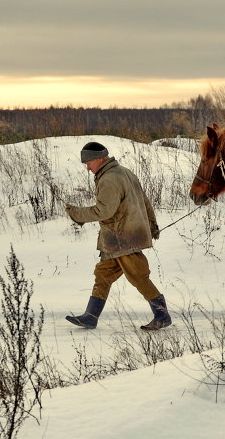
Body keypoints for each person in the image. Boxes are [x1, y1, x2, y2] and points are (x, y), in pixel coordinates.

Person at [64, 141, 172, 331]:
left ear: (101, 159)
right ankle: (90, 316)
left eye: (89, 163)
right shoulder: (125, 172)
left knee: (138, 276)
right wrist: (152, 225)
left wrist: (76, 214)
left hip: (123, 239)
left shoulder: (109, 179)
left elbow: (104, 211)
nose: (88, 168)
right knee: (103, 275)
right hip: (120, 238)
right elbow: (145, 202)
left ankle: (162, 315)